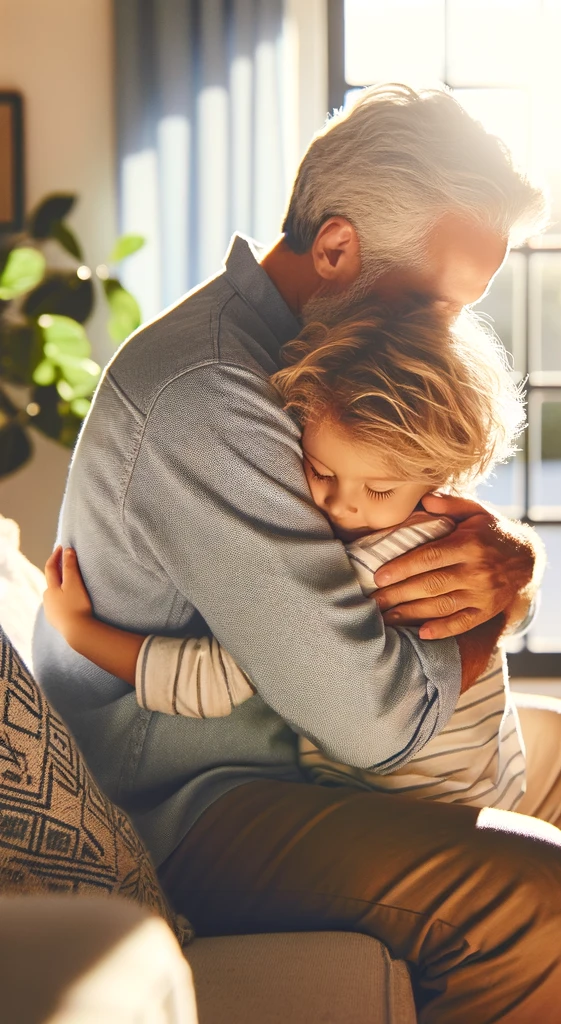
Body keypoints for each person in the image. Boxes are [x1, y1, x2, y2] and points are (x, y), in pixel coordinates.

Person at [33, 84, 561, 1023]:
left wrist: (510, 565)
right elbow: (375, 721)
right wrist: (488, 625)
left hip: (279, 748)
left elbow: (422, 553)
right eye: (433, 300)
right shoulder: (213, 395)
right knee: (533, 889)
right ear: (336, 248)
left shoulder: (330, 370)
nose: (443, 335)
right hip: (188, 796)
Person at [43, 299, 531, 810]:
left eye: (379, 490)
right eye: (320, 472)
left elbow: (210, 680)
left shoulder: (374, 567)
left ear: (439, 474)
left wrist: (79, 631)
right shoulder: (458, 528)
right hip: (495, 774)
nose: (340, 504)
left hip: (409, 805)